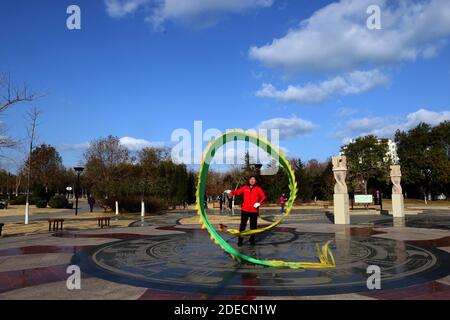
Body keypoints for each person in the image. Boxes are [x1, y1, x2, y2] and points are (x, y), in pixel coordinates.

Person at [226, 176, 266, 247]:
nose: (252, 180)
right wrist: (231, 192)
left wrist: (259, 203)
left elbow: (263, 197)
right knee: (242, 226)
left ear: (255, 181)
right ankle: (240, 241)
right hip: (245, 210)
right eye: (251, 179)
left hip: (254, 210)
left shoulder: (258, 189)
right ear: (249, 180)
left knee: (253, 227)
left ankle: (252, 240)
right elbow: (237, 192)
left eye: (254, 179)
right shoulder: (245, 188)